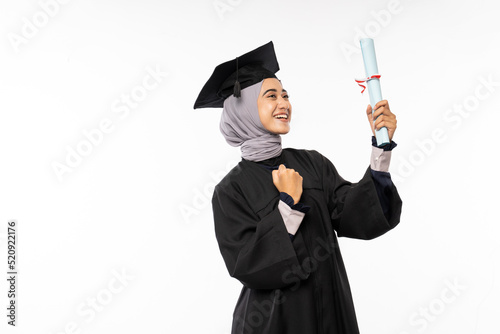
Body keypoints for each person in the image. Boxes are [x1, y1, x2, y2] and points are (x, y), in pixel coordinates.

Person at [194, 41, 402, 334]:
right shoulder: (230, 190)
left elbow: (358, 215)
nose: (284, 104)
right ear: (243, 109)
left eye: (285, 95)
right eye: (271, 96)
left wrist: (381, 149)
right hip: (273, 323)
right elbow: (246, 266)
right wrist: (287, 205)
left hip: (332, 315)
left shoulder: (312, 163)